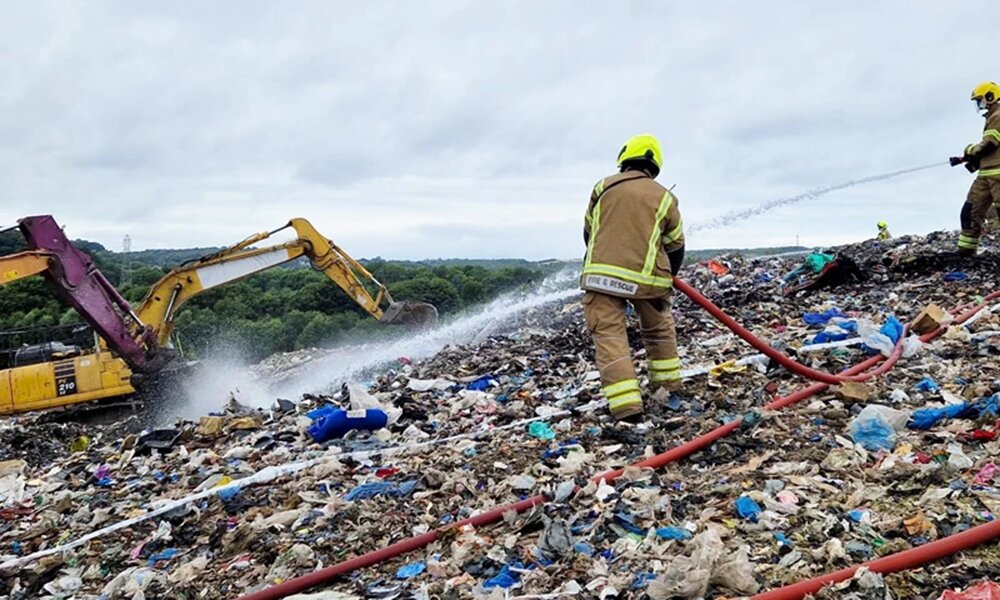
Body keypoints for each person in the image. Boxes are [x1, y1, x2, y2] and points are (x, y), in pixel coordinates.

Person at [580, 134, 685, 420]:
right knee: (658, 330)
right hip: (648, 280)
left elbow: (589, 233)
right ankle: (668, 389)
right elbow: (676, 246)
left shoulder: (603, 187)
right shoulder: (665, 197)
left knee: (609, 336)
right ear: (655, 165)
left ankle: (627, 409)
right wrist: (669, 279)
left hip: (601, 278)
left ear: (624, 159)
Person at [950, 81, 1000, 255]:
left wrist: (969, 149)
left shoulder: (998, 115)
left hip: (998, 174)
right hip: (985, 174)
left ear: (990, 97)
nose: (979, 104)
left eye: (980, 100)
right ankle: (966, 251)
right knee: (970, 212)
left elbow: (989, 144)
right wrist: (967, 159)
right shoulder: (991, 117)